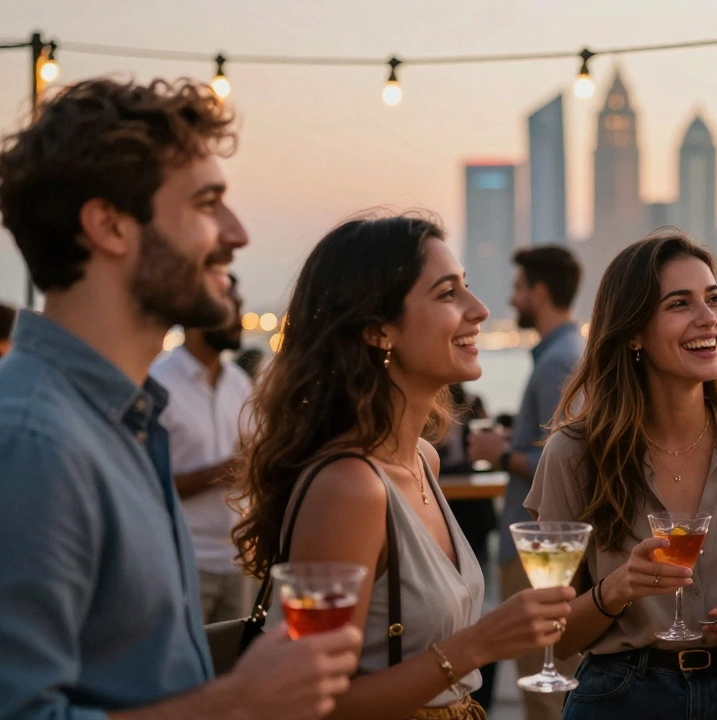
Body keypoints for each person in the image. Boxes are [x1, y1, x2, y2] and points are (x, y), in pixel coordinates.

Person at [0, 77, 360, 720]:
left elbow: (135, 669)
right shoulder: (36, 441)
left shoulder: (121, 419)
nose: (237, 234)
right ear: (109, 225)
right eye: (207, 203)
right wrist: (241, 702)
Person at [233, 212, 575, 720]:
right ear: (379, 330)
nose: (480, 309)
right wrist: (480, 643)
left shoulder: (422, 459)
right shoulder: (350, 488)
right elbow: (310, 703)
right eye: (448, 293)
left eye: (467, 287)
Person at [526, 232, 717, 720]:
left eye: (713, 299)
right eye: (680, 304)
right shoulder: (574, 453)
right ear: (633, 333)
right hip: (618, 700)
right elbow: (555, 637)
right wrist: (617, 588)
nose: (708, 318)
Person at [467, 244, 585, 720]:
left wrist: (499, 453)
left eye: (518, 288)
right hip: (542, 547)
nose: (511, 299)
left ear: (539, 292)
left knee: (546, 696)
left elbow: (573, 463)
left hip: (539, 550)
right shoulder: (561, 354)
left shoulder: (559, 361)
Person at [151, 272, 256, 624]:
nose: (240, 318)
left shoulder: (239, 384)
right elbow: (145, 485)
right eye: (231, 306)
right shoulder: (157, 385)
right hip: (182, 562)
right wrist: (222, 471)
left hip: (239, 562)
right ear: (196, 313)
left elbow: (252, 455)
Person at [431, 383, 498, 712]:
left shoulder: (474, 404)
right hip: (448, 510)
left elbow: (483, 457)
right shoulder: (424, 443)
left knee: (475, 604)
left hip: (472, 519)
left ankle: (478, 700)